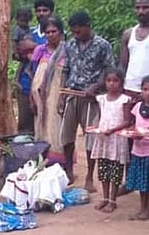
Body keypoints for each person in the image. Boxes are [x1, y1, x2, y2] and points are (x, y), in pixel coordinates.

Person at [59, 11, 116, 191]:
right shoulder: (69, 45)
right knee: (67, 136)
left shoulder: (102, 45)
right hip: (71, 93)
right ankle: (69, 171)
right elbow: (65, 70)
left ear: (88, 26)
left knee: (91, 137)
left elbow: (109, 71)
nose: (76, 35)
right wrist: (61, 95)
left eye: (79, 31)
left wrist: (96, 86)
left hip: (92, 97)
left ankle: (90, 177)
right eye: (73, 32)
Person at [124, 74, 149, 221]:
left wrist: (144, 135)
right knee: (141, 181)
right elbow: (134, 124)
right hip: (137, 149)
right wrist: (133, 132)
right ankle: (142, 208)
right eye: (145, 89)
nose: (148, 93)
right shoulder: (138, 107)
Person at [13, 0, 56, 133]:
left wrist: (35, 47)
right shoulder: (27, 32)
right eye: (38, 10)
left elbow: (58, 53)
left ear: (51, 12)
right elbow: (19, 51)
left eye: (45, 10)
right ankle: (25, 154)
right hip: (26, 86)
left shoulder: (59, 34)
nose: (41, 13)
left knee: (49, 127)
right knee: (26, 128)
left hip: (51, 87)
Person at [91, 68, 131, 213]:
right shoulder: (101, 99)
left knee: (115, 170)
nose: (112, 84)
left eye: (115, 81)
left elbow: (127, 121)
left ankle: (113, 200)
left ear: (121, 83)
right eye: (109, 81)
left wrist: (113, 130)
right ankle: (105, 198)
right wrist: (95, 126)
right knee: (103, 169)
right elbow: (101, 117)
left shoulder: (124, 100)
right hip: (103, 139)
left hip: (116, 139)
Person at [31, 16, 68, 165]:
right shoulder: (40, 50)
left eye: (54, 31)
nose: (51, 35)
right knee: (42, 124)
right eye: (47, 32)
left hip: (58, 95)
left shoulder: (66, 50)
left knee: (58, 126)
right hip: (41, 96)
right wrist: (31, 98)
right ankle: (43, 158)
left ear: (60, 32)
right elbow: (34, 72)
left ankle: (59, 160)